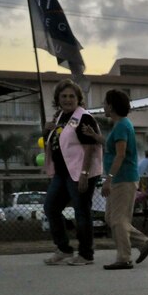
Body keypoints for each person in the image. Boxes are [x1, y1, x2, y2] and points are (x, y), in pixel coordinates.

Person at [42, 80, 103, 266]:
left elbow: (90, 147)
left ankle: (86, 254)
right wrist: (46, 131)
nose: (68, 99)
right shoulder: (59, 117)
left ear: (78, 99)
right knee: (51, 207)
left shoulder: (84, 117)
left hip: (80, 173)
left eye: (71, 96)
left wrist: (85, 173)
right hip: (62, 173)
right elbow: (54, 143)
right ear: (57, 99)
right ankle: (64, 248)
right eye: (64, 96)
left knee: (81, 213)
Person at [93, 90, 148, 270]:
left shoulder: (121, 126)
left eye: (105, 103)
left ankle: (124, 258)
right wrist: (97, 138)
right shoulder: (121, 125)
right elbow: (114, 148)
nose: (103, 106)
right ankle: (144, 243)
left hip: (123, 179)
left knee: (118, 219)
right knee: (111, 217)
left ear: (111, 106)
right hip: (121, 179)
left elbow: (120, 155)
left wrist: (108, 179)